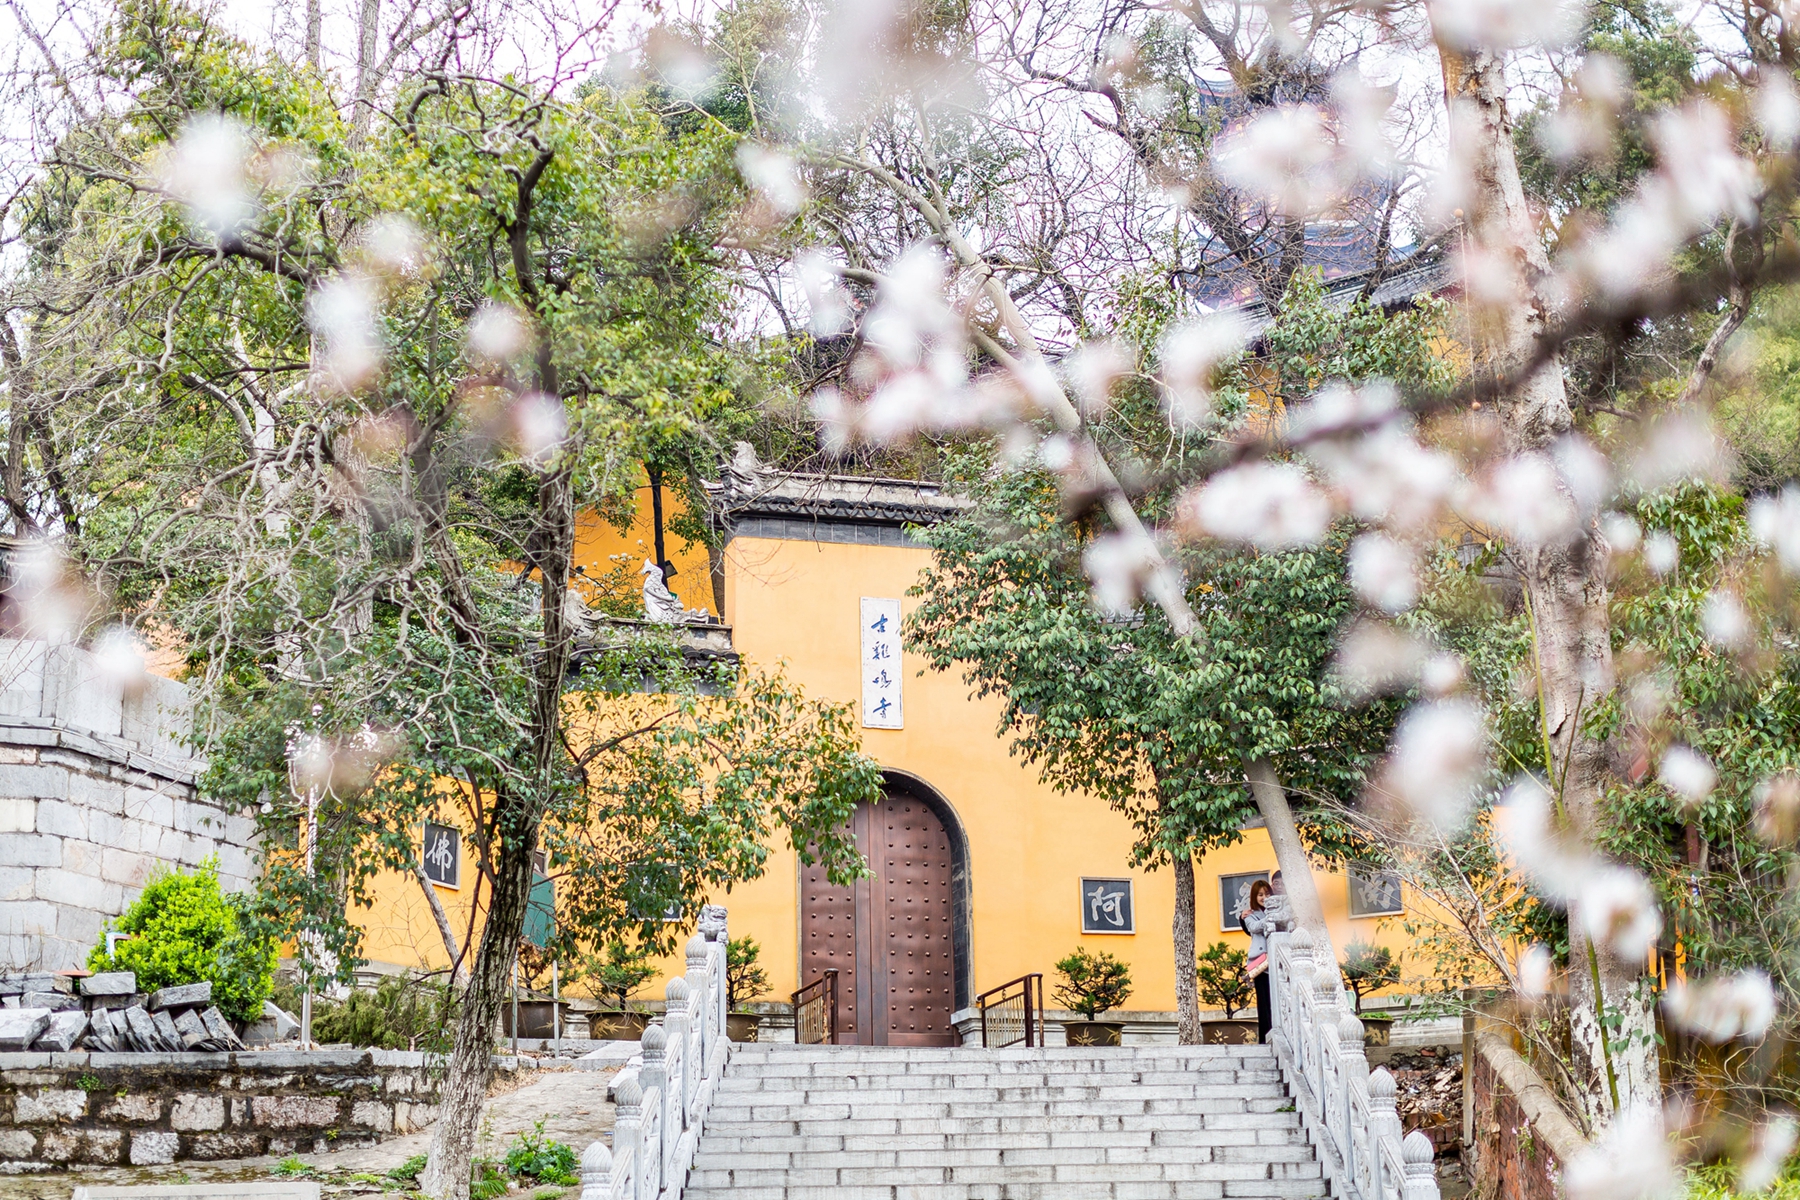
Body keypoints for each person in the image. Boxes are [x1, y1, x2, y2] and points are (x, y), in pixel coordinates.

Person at [1241, 879, 1275, 1044]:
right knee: (1264, 1004)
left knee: (1275, 1003)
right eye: (1260, 894)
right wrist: (1272, 918)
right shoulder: (1249, 914)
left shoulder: (1275, 909)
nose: (1264, 897)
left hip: (1276, 963)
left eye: (1267, 893)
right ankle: (1264, 1039)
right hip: (1262, 966)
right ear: (1255, 896)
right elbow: (1253, 928)